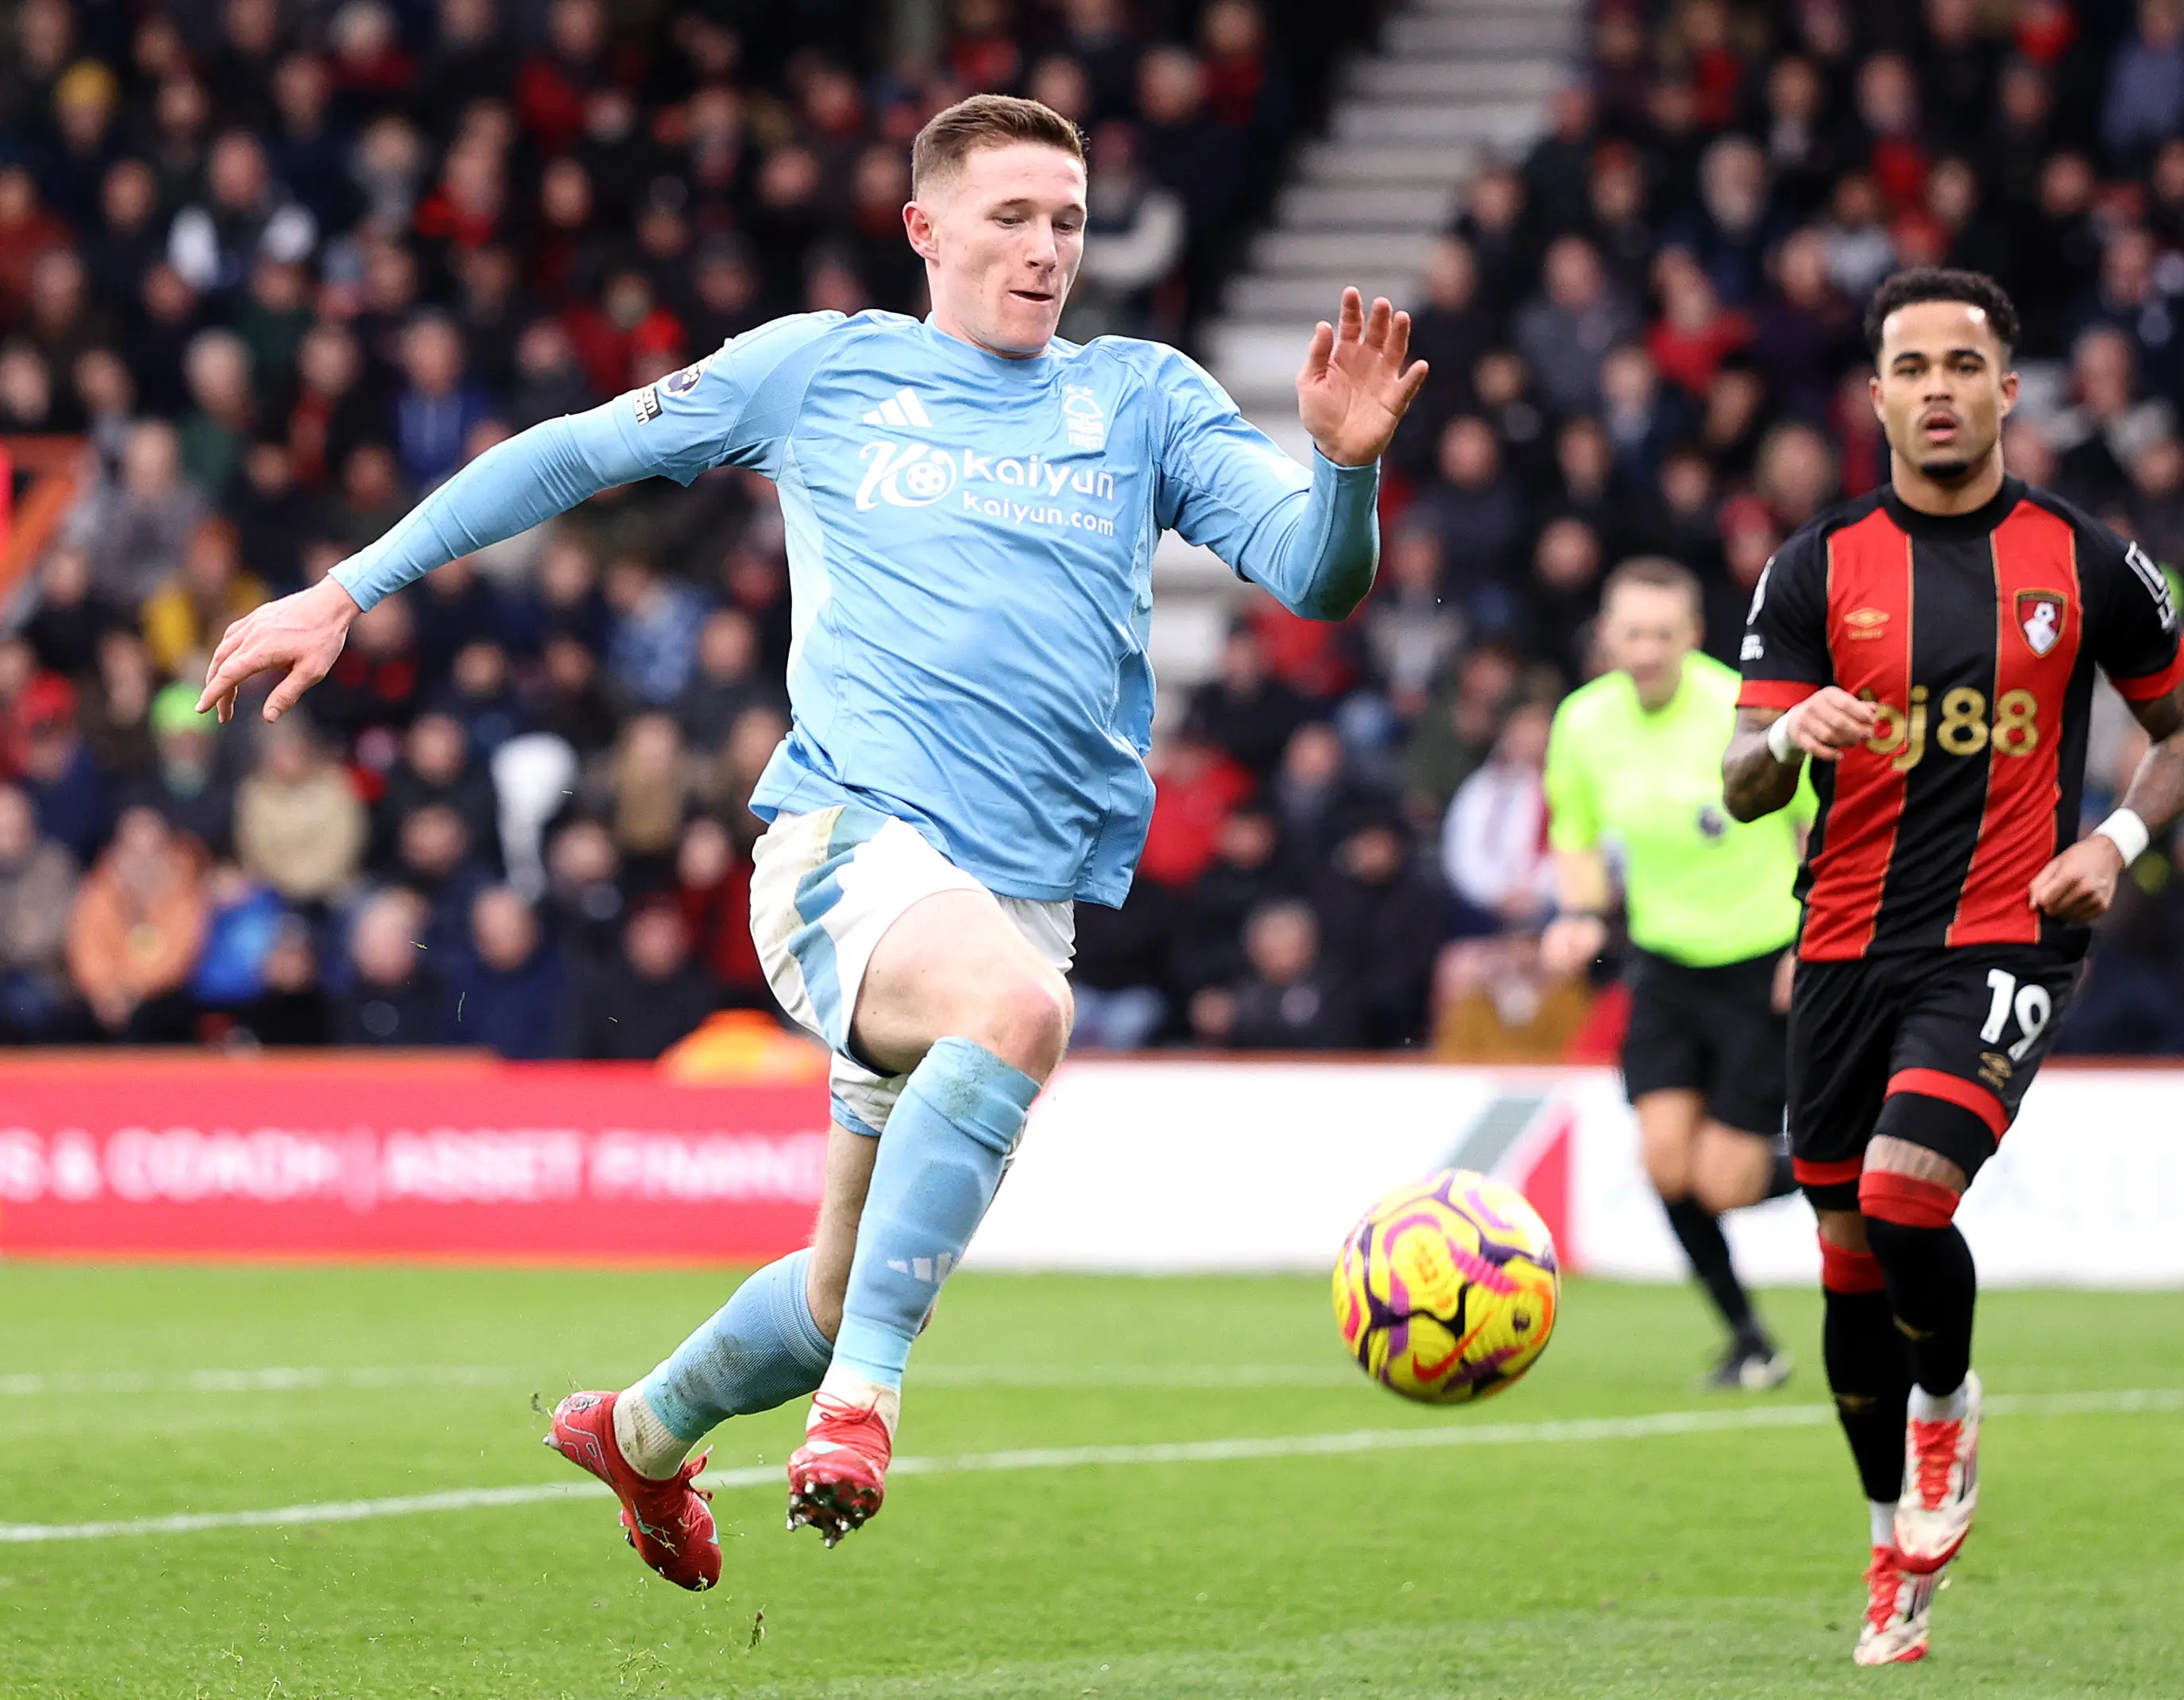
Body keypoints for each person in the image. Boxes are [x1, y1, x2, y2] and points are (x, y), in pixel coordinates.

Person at [195, 95, 1424, 1586]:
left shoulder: (1142, 399)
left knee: (843, 1288)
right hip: (850, 848)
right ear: (925, 229)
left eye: (1068, 221)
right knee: (1017, 1024)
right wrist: (349, 589)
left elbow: (1316, 576)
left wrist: (1345, 469)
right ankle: (861, 1415)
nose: (1046, 250)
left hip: (1014, 903)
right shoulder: (823, 370)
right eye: (1012, 218)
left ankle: (640, 1434)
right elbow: (573, 455)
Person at [1722, 268, 2184, 1665]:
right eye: (1910, 367)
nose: (1936, 389)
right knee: (1842, 1256)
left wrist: (2115, 839)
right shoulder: (1814, 567)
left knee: (1899, 1197)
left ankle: (1944, 1403)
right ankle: (1891, 1549)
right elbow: (1743, 784)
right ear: (1874, 396)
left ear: (2006, 389)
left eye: (1961, 365)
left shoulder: (2088, 560)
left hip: (2006, 932)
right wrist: (1787, 735)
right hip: (1841, 946)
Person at [1538, 558, 1813, 1391]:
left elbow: (1818, 826)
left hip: (1758, 962)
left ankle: (1850, 1164)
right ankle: (1749, 1341)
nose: (1647, 650)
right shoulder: (1583, 721)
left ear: (1692, 635)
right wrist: (1580, 913)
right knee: (1664, 1165)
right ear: (1607, 636)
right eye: (1632, 633)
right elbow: (1575, 832)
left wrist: (1810, 938)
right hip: (1663, 966)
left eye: (1663, 633)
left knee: (1723, 1184)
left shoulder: (1743, 709)